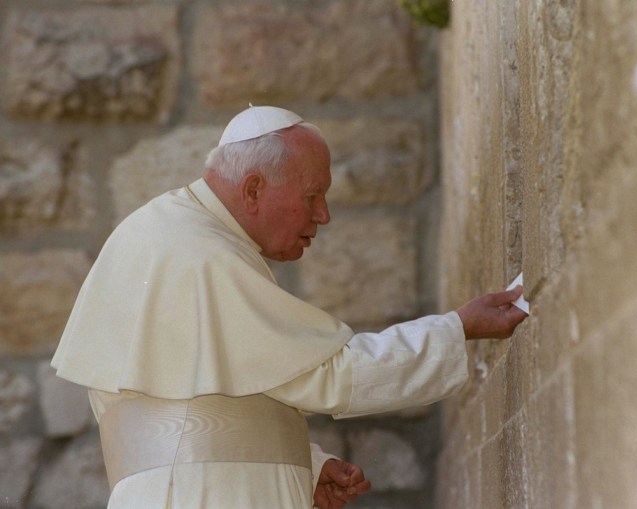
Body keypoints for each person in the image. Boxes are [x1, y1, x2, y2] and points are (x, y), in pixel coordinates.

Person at [51, 106, 528, 509]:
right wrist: (456, 329)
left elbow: (194, 403)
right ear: (255, 189)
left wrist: (307, 465)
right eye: (312, 195)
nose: (323, 214)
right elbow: (328, 375)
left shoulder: (173, 231)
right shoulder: (202, 253)